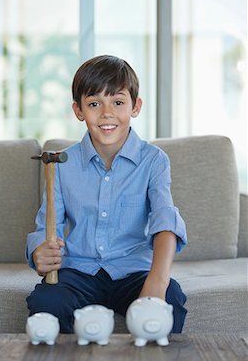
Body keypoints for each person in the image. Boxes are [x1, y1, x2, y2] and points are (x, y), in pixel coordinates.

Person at [26, 54, 188, 333]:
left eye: (118, 102)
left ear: (135, 106)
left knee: (170, 299)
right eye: (93, 104)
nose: (106, 113)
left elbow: (165, 222)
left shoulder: (154, 161)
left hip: (133, 272)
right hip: (78, 272)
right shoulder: (61, 165)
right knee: (46, 300)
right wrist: (39, 252)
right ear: (78, 110)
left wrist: (157, 282)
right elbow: (47, 226)